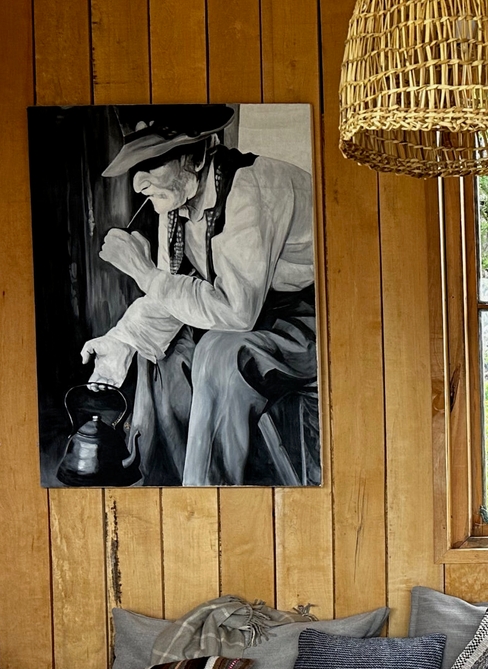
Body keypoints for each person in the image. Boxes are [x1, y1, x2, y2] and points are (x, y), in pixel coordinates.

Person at [80, 105, 319, 486]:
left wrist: (144, 273)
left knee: (219, 354)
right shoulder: (176, 202)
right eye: (135, 167)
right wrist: (122, 340)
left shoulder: (250, 188)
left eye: (153, 162)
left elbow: (236, 312)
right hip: (258, 318)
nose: (138, 183)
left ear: (195, 155)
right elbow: (171, 299)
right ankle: (166, 485)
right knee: (161, 353)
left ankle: (209, 496)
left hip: (314, 323)